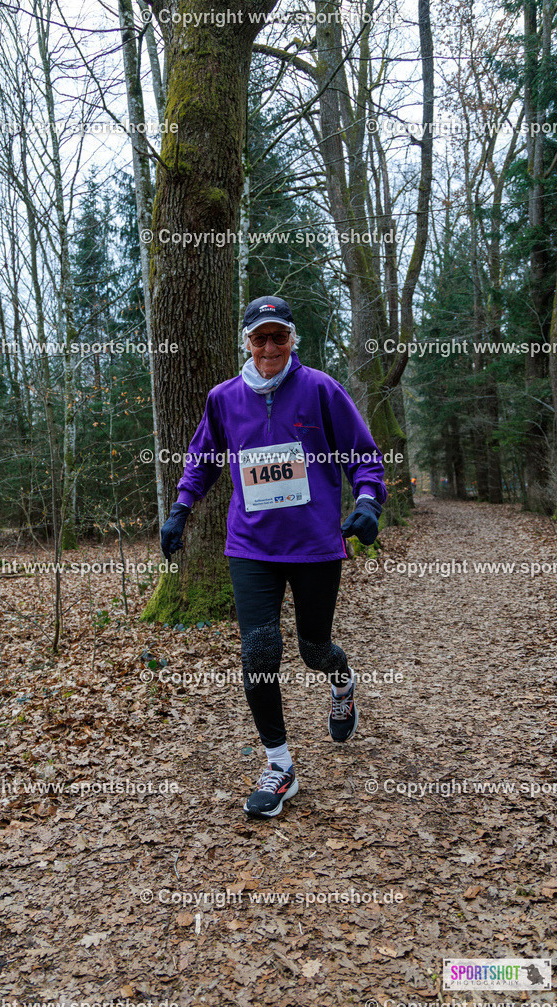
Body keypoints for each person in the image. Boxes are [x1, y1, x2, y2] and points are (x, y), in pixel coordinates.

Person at [160, 296, 386, 819]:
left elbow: (363, 455)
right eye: (259, 338)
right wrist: (180, 509)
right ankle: (279, 764)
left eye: (277, 337)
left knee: (312, 649)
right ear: (246, 342)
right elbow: (202, 460)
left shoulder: (322, 390)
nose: (268, 348)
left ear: (292, 340)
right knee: (259, 650)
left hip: (314, 545)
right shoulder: (224, 399)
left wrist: (370, 501)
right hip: (251, 545)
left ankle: (341, 679)